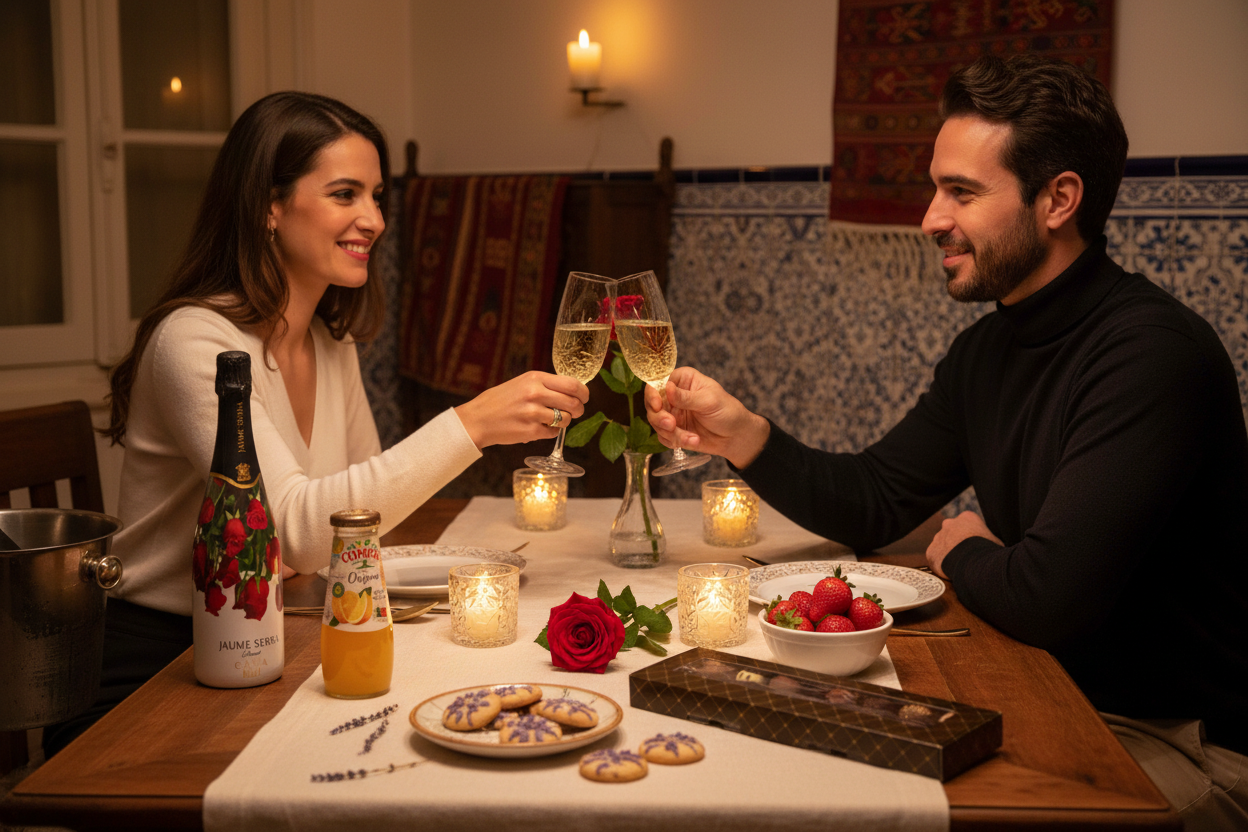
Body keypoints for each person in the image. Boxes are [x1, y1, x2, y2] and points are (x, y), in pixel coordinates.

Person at [647, 56, 1248, 829]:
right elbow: (874, 499)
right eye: (937, 188)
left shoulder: (1150, 353)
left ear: (1059, 198)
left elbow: (1047, 599)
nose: (930, 218)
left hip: (1175, 741)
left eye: (961, 192)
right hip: (1046, 691)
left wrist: (959, 546)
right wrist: (746, 437)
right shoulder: (988, 353)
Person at [44, 91, 586, 756]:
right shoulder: (196, 342)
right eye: (345, 194)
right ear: (269, 205)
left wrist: (325, 547)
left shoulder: (333, 345)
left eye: (376, 196)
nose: (375, 219)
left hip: (277, 640)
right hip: (159, 671)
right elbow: (300, 532)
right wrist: (470, 426)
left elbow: (352, 532)